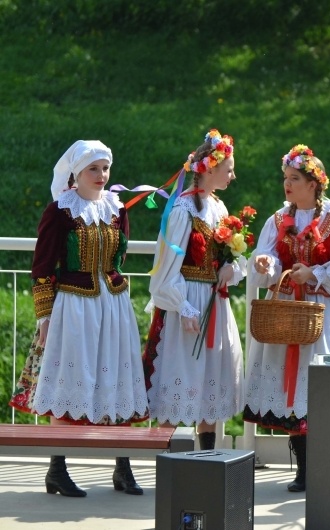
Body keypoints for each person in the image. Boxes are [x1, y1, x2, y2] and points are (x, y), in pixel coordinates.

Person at [9, 140, 149, 497]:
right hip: (74, 306)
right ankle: (57, 469)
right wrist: (44, 317)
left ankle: (123, 467)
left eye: (105, 168)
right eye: (93, 169)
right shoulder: (60, 211)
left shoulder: (117, 207)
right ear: (76, 172)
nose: (101, 176)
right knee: (69, 377)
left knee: (117, 377)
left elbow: (120, 256)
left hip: (113, 305)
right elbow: (41, 267)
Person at [244, 144, 330, 492]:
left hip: (318, 317)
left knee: (314, 385)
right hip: (284, 316)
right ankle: (302, 469)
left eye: (294, 178)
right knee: (291, 392)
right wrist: (265, 265)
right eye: (285, 178)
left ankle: (319, 467)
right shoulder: (279, 219)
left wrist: (312, 275)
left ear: (314, 183)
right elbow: (265, 257)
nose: (287, 185)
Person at [142, 129, 244, 452]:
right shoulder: (184, 209)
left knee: (208, 378)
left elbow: (230, 256)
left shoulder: (218, 207)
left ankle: (208, 455)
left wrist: (234, 269)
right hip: (188, 305)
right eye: (228, 168)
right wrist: (182, 306)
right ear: (210, 169)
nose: (232, 174)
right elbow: (167, 266)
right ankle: (166, 458)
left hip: (214, 302)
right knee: (179, 376)